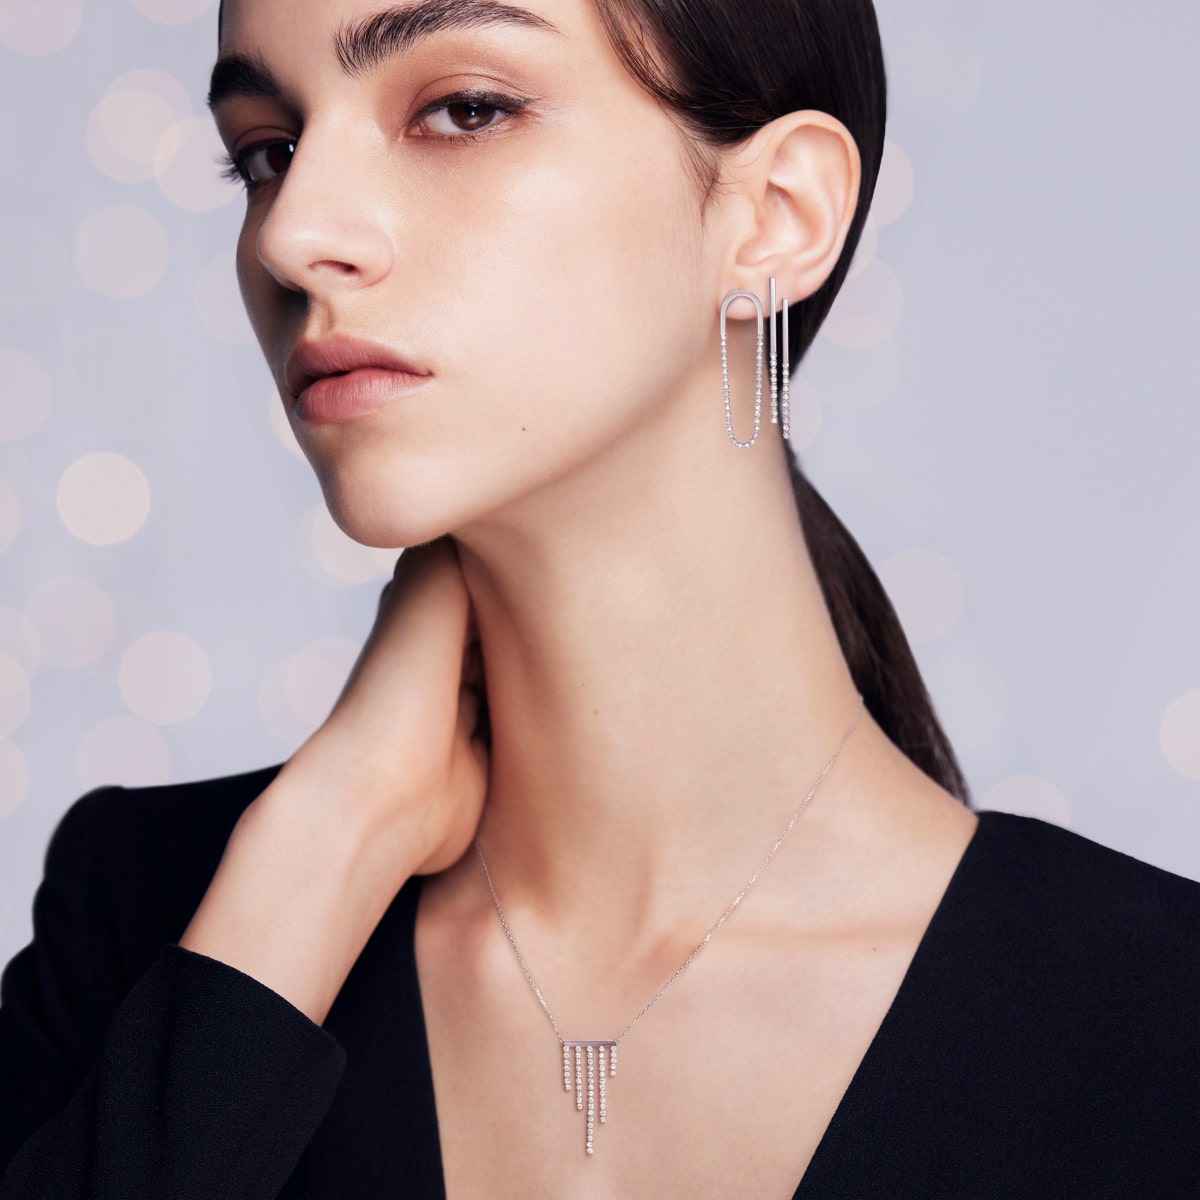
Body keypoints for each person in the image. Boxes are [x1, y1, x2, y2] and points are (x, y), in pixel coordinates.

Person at [1, 0, 1197, 1196]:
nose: (294, 233)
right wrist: (324, 850)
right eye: (267, 152)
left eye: (464, 110)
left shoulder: (1158, 1025)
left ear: (777, 214)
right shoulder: (153, 924)